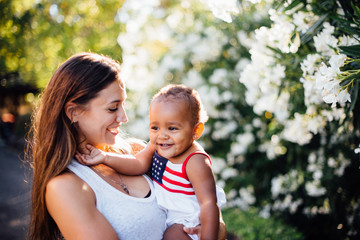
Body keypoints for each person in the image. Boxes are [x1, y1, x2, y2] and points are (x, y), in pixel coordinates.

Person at [26, 52, 224, 240]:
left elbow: (209, 214)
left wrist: (210, 230)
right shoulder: (66, 187)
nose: (124, 117)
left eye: (123, 105)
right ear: (74, 112)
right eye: (113, 108)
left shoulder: (140, 152)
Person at [76, 84, 227, 240]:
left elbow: (208, 203)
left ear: (196, 131)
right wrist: (105, 157)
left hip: (188, 219)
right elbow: (137, 164)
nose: (162, 135)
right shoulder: (157, 146)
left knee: (172, 237)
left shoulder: (195, 161)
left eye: (173, 128)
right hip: (170, 214)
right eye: (155, 127)